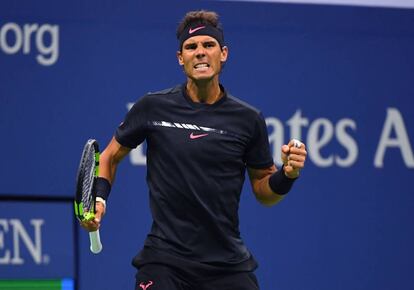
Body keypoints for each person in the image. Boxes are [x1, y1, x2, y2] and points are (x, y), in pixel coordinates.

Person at [80, 10, 307, 290]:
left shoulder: (248, 119)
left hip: (227, 265)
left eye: (208, 45)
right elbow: (110, 156)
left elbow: (264, 190)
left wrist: (287, 174)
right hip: (165, 262)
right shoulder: (153, 107)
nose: (200, 52)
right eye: (191, 47)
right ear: (180, 59)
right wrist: (99, 201)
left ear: (223, 53)